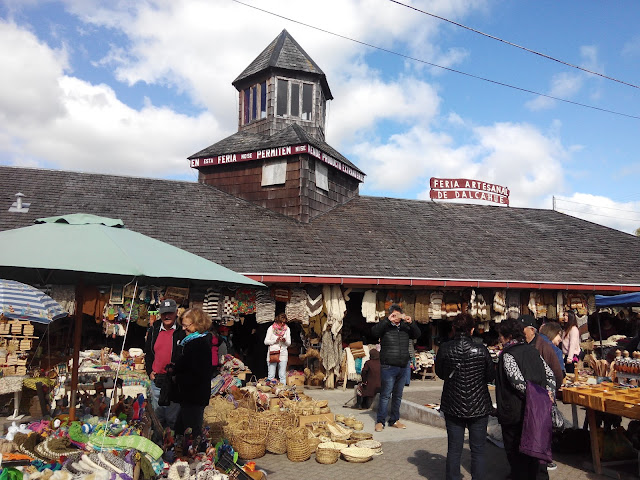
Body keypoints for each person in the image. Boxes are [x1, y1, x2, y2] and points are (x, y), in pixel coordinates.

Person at [435, 313, 495, 480]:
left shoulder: (445, 348)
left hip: (452, 403)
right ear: (472, 329)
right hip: (479, 404)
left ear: (454, 329)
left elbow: (440, 373)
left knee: (454, 449)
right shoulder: (481, 349)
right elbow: (490, 375)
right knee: (478, 449)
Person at [496, 318, 556, 480]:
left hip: (516, 413)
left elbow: (517, 382)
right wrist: (548, 395)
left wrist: (540, 396)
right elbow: (550, 375)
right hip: (537, 411)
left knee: (518, 455)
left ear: (507, 336)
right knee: (534, 450)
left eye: (501, 336)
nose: (499, 339)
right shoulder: (532, 350)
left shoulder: (508, 355)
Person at [371, 303, 420, 432]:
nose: (397, 317)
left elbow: (417, 335)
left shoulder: (405, 327)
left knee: (398, 395)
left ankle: (394, 420)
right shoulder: (385, 326)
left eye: (399, 314)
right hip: (388, 366)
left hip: (403, 366)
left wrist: (411, 323)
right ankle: (380, 421)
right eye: (394, 315)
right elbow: (374, 332)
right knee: (386, 395)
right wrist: (388, 320)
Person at [144, 298, 185, 431]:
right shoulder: (154, 329)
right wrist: (149, 371)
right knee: (158, 416)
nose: (167, 316)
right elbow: (149, 353)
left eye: (170, 313)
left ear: (176, 313)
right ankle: (159, 442)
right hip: (157, 379)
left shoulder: (182, 331)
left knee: (173, 417)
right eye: (164, 313)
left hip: (173, 380)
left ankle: (172, 446)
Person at [172, 308, 213, 437]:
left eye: (186, 325)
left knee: (190, 433)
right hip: (191, 396)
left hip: (194, 396)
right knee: (182, 430)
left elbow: (196, 373)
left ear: (197, 324)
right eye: (182, 325)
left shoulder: (198, 344)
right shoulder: (192, 342)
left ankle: (192, 455)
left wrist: (177, 376)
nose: (183, 329)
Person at [264, 313, 291, 384]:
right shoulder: (271, 328)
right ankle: (270, 391)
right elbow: (266, 341)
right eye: (280, 322)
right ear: (277, 321)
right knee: (271, 376)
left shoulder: (287, 329)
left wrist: (284, 341)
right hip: (273, 354)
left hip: (283, 353)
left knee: (282, 375)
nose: (282, 324)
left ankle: (283, 391)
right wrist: (275, 340)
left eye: (284, 322)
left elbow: (289, 343)